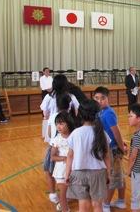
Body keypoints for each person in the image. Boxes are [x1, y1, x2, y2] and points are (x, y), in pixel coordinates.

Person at [65, 99, 111, 212]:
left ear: (79, 114)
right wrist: (109, 173)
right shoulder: (101, 133)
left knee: (83, 206)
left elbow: (70, 156)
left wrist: (67, 174)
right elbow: (107, 156)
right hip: (98, 173)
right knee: (97, 205)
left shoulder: (75, 133)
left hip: (79, 173)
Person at [40, 75, 79, 204]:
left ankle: (53, 193)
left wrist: (48, 133)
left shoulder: (49, 97)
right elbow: (78, 113)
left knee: (50, 167)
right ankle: (67, 194)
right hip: (68, 138)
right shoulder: (71, 98)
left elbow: (45, 115)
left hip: (54, 138)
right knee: (69, 166)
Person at [93, 86, 127, 211]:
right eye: (96, 98)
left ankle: (106, 204)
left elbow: (116, 132)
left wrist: (121, 147)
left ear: (108, 99)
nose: (99, 101)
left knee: (112, 177)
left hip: (112, 149)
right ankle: (121, 200)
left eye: (103, 98)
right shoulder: (99, 112)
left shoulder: (109, 113)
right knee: (118, 174)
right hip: (107, 148)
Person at [50, 111, 75, 212]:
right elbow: (52, 157)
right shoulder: (56, 139)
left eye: (61, 123)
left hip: (74, 169)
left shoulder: (74, 136)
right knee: (63, 194)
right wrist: (65, 158)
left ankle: (62, 204)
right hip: (61, 171)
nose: (58, 126)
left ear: (68, 123)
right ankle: (65, 209)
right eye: (57, 124)